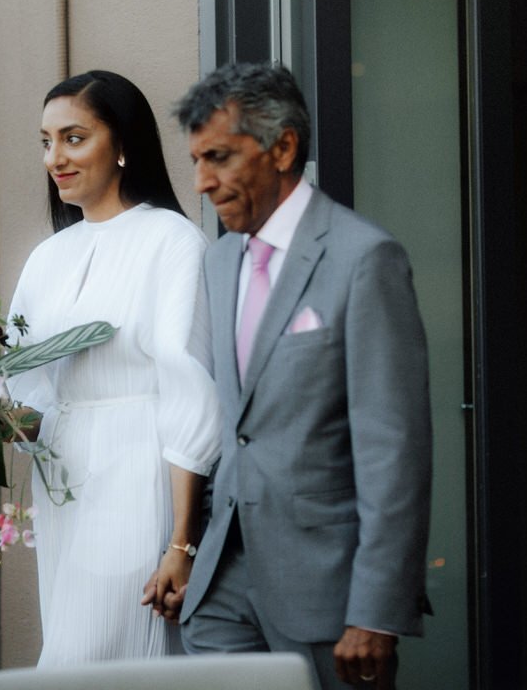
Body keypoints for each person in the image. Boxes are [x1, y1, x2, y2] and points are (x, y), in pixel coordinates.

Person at [169, 63, 433, 690]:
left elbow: (393, 450)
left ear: (283, 147)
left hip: (327, 591)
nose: (203, 182)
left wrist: (376, 609)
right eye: (197, 160)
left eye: (220, 158)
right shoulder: (221, 260)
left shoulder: (364, 259)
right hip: (223, 584)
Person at [5, 69, 220, 666]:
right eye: (46, 142)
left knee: (100, 659)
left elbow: (189, 396)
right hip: (66, 482)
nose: (55, 157)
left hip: (137, 472)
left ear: (123, 142)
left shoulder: (172, 241)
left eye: (74, 138)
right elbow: (26, 394)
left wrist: (182, 542)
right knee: (72, 648)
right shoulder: (47, 257)